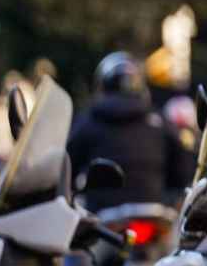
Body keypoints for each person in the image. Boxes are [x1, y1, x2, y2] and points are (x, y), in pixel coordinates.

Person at [67, 52, 195, 211]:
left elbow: (68, 165)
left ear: (103, 84)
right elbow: (182, 170)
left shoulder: (89, 120)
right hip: (152, 213)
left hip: (102, 217)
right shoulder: (159, 120)